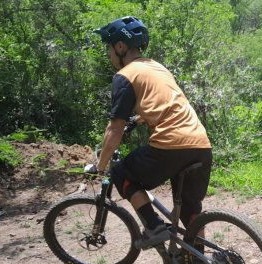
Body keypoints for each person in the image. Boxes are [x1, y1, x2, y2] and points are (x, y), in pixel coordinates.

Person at [86, 16, 212, 250]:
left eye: (109, 48)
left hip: (170, 144)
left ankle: (153, 226)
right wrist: (140, 118)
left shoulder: (125, 75)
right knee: (190, 208)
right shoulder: (157, 67)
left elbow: (114, 129)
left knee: (121, 172)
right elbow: (167, 102)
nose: (108, 54)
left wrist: (101, 165)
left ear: (120, 46)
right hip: (201, 144)